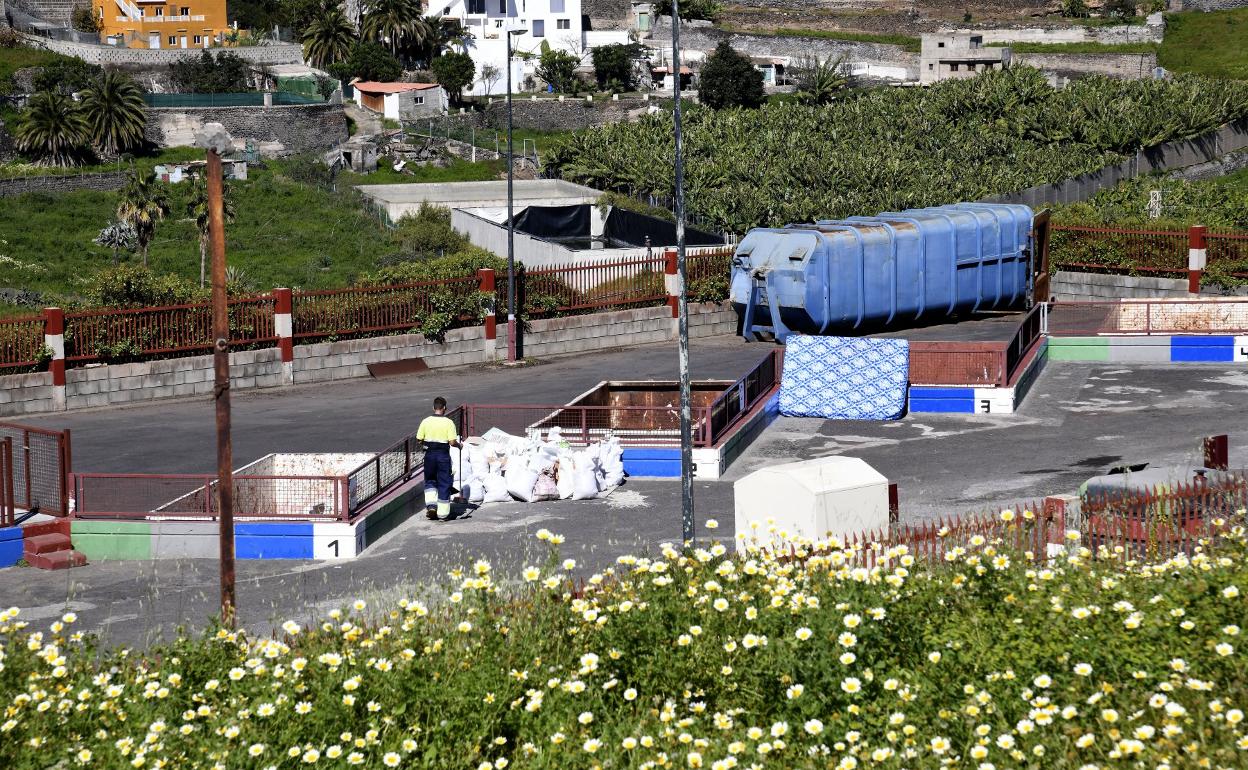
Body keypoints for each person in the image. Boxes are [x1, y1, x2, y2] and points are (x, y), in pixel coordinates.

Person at [416, 396, 460, 521]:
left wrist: (427, 443)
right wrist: (459, 445)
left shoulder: (425, 421)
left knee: (430, 480)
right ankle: (442, 514)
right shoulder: (448, 422)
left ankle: (431, 506)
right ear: (444, 408)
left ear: (433, 407)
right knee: (444, 483)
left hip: (429, 455)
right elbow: (452, 442)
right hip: (443, 455)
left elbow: (419, 439)